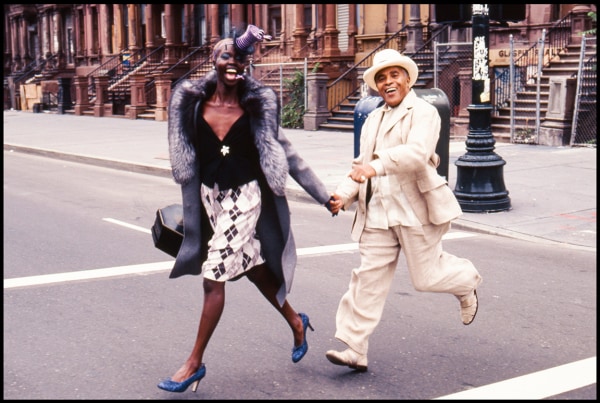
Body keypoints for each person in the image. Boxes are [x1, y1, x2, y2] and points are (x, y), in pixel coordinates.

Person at [157, 25, 336, 393]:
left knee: (213, 278)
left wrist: (323, 195)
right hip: (212, 197)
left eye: (239, 57)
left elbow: (289, 156)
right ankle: (297, 321)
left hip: (245, 197)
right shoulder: (190, 103)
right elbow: (185, 155)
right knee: (254, 268)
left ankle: (194, 363)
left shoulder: (257, 106)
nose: (233, 62)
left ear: (246, 63)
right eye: (226, 55)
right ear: (214, 61)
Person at [325, 48, 483, 372]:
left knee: (426, 279)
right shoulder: (371, 119)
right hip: (378, 213)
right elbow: (360, 166)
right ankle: (354, 347)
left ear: (407, 79)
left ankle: (466, 281)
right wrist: (343, 195)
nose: (388, 82)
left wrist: (375, 167)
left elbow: (415, 153)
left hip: (415, 209)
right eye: (381, 78)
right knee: (367, 279)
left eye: (394, 75)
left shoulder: (424, 112)